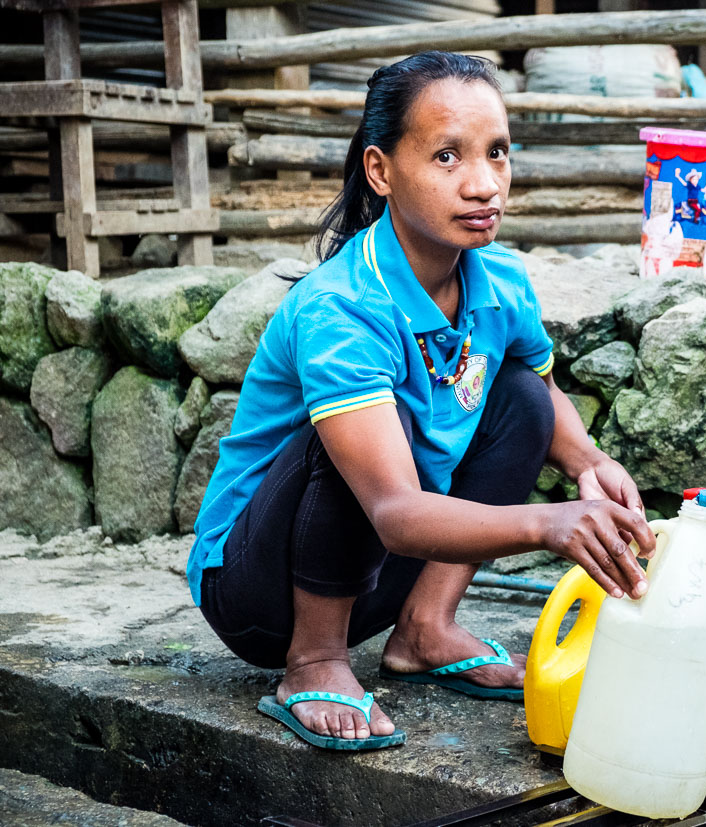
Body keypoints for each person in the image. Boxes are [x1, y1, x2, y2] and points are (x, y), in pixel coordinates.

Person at [186, 51, 655, 751]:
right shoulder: (342, 308)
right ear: (381, 171)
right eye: (446, 156)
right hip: (259, 590)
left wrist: (587, 460)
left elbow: (542, 392)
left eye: (497, 153)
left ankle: (424, 627)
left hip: (369, 567)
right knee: (360, 434)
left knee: (522, 398)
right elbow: (396, 513)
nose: (483, 183)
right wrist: (547, 523)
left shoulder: (500, 279)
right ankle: (314, 659)